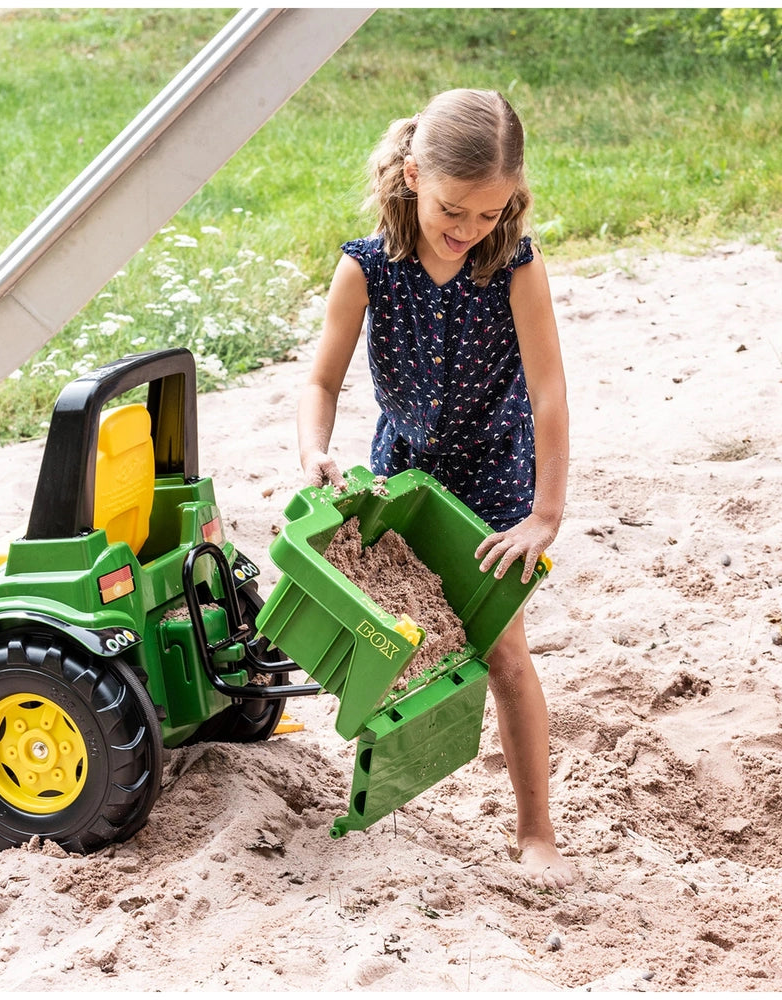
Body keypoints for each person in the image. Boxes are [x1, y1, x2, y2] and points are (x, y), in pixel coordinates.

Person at [297, 88, 574, 889]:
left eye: (491, 214)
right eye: (456, 209)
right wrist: (316, 451)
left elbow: (550, 392)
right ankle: (388, 798)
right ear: (414, 174)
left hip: (494, 470)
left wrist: (545, 514)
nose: (470, 230)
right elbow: (320, 380)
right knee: (403, 642)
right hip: (405, 471)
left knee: (503, 652)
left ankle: (535, 830)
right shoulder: (367, 268)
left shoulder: (515, 265)